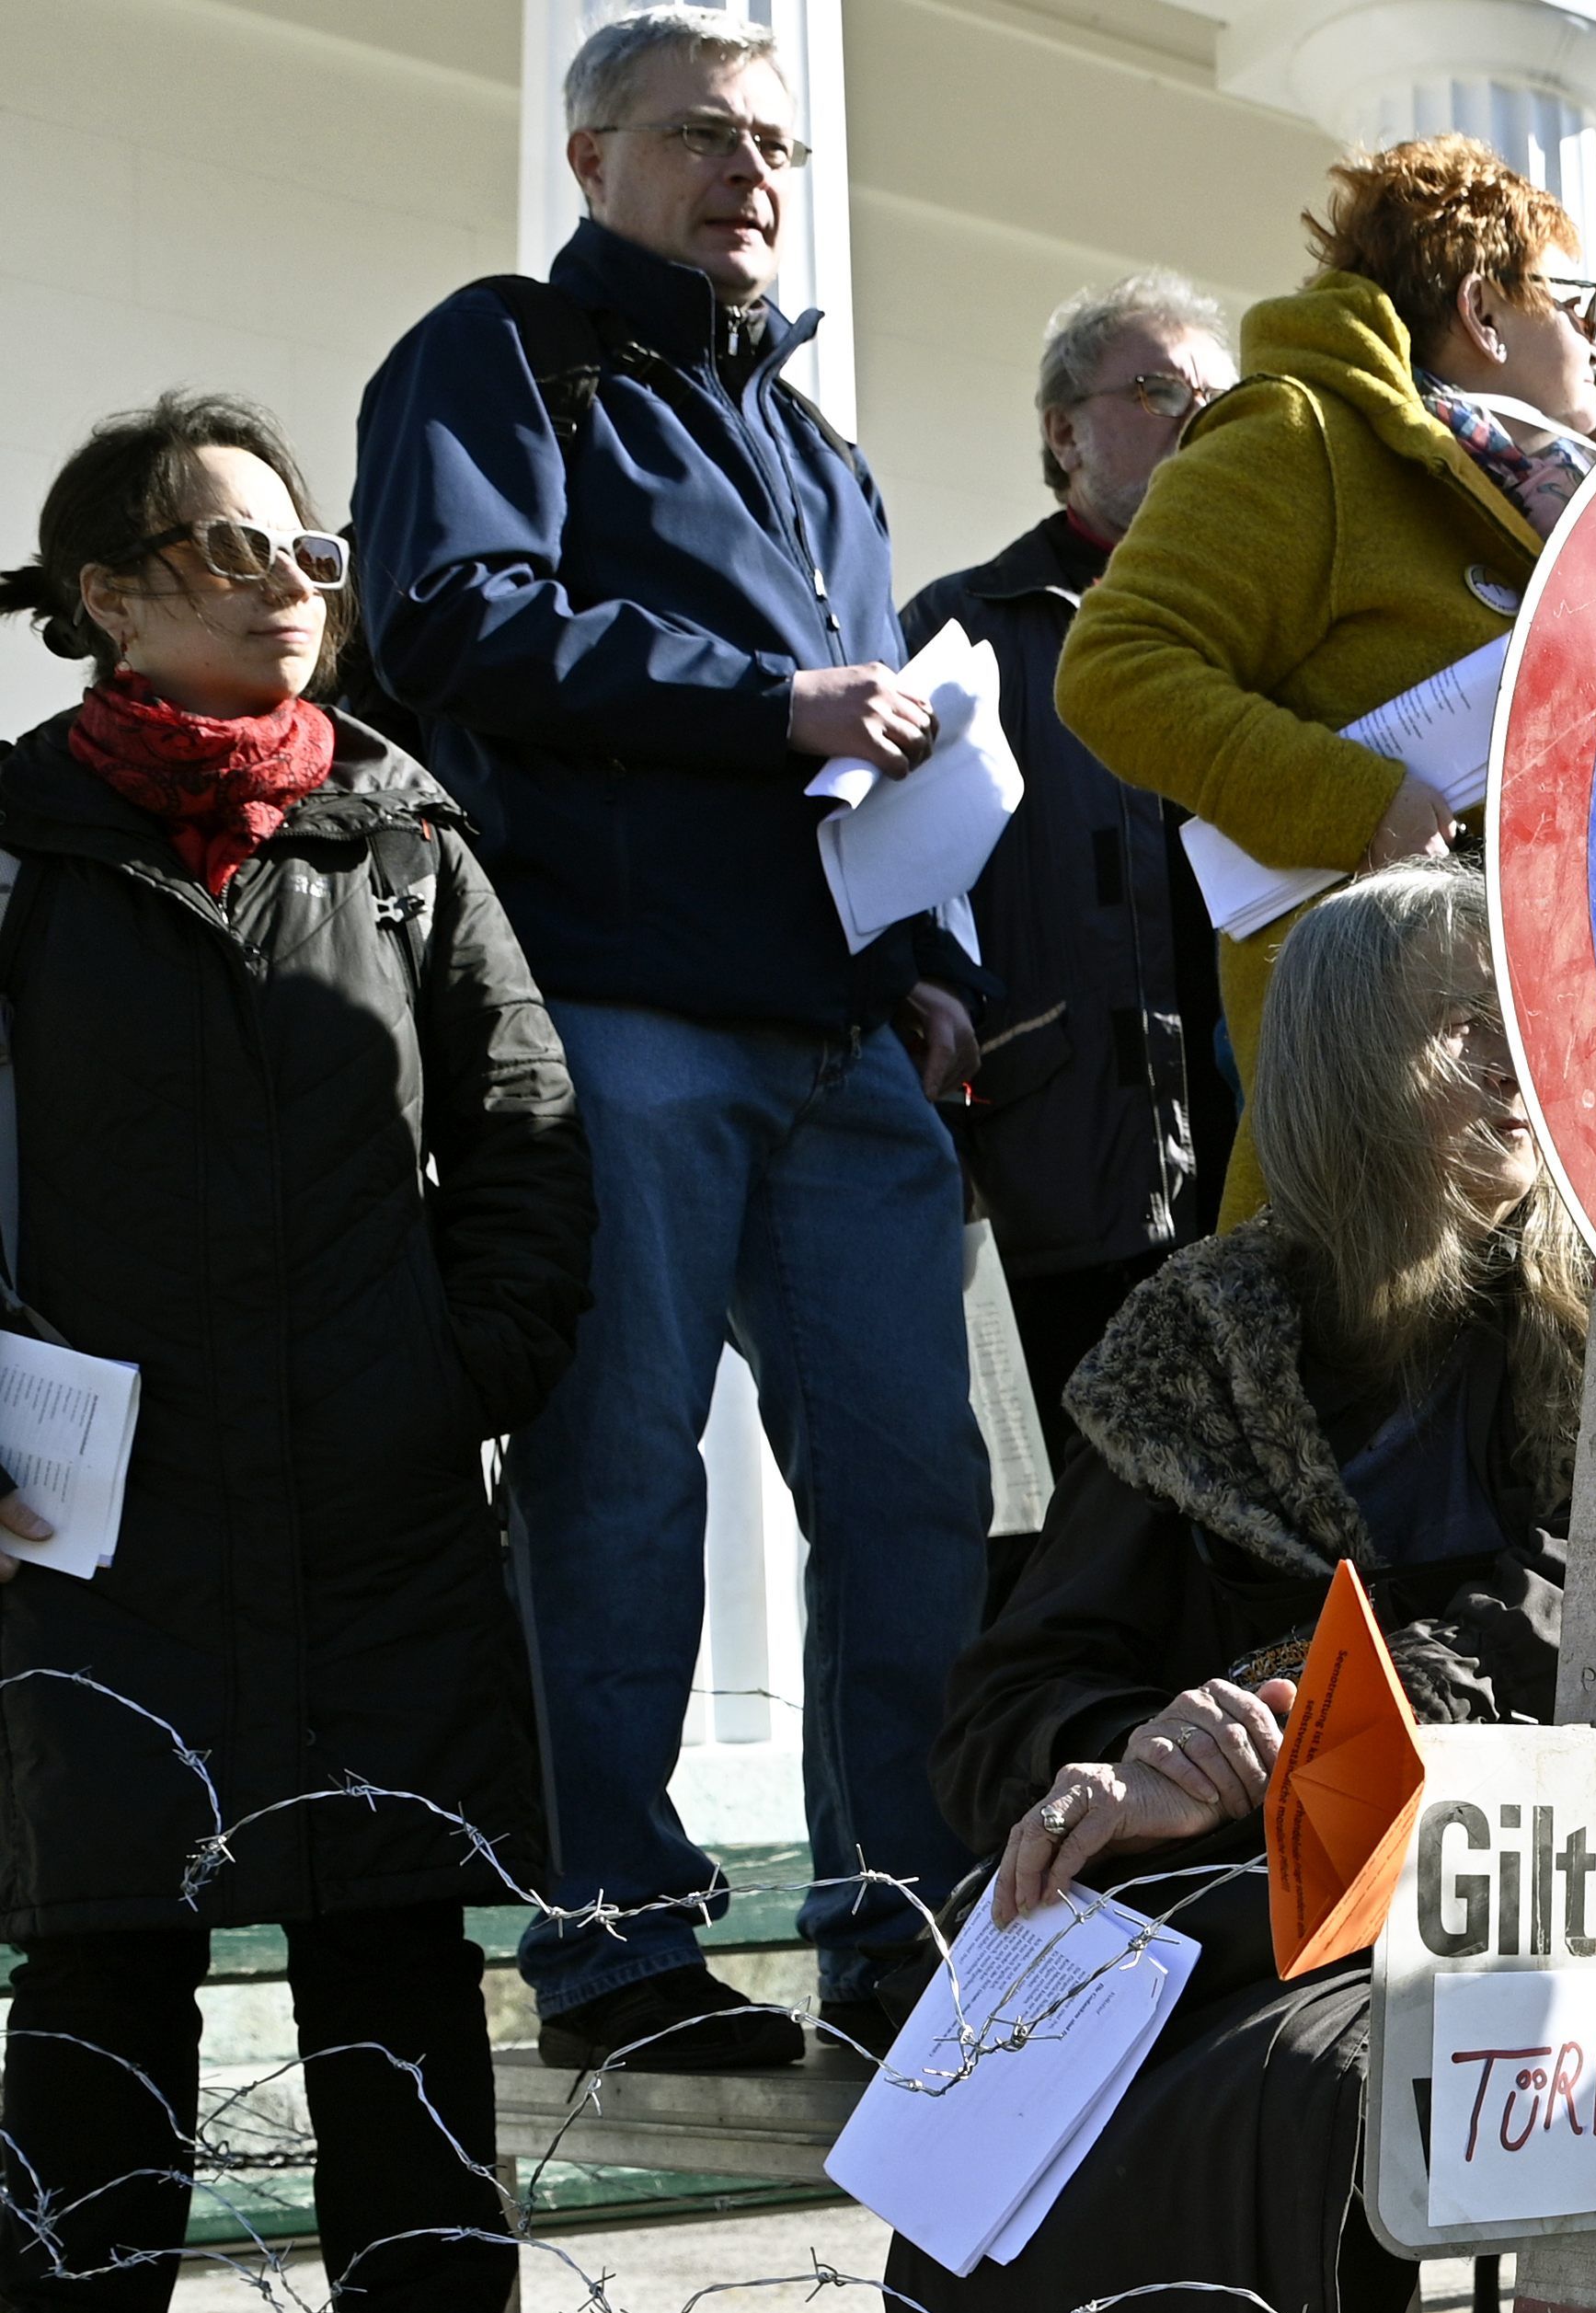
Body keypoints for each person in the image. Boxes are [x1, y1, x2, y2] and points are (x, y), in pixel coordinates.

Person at [353, 5, 993, 2067]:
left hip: (839, 1030)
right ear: (589, 162)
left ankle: (898, 1924)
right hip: (618, 1003)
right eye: (704, 137)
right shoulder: (499, 354)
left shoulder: (819, 447)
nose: (750, 176)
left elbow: (883, 725)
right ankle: (614, 1946)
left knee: (911, 1489)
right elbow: (454, 614)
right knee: (615, 1481)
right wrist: (764, 704)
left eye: (776, 147)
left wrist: (934, 949)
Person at [0, 397, 592, 2313]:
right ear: (105, 596)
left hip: (376, 1497)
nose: (294, 582)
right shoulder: (13, 848)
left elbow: (524, 1129)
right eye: (233, 547)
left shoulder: (402, 832)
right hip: (92, 1523)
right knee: (97, 1970)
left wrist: (461, 1372)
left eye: (305, 549)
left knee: (390, 1958)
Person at [883, 863, 1576, 2313]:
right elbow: (1008, 1697)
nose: (1519, 1072)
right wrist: (1133, 1749)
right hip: (1237, 1910)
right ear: (1343, 1066)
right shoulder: (1198, 1342)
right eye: (1466, 1032)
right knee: (992, 2192)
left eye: (1529, 1030)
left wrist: (1286, 1714)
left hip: (1525, 1891)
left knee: (1287, 2100)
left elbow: (1584, 1642)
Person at [1056, 134, 1596, 1228]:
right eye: (1576, 303)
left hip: (1565, 1088)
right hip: (1388, 1085)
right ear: (1483, 310)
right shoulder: (1300, 435)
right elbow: (1114, 668)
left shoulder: (1546, 495)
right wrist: (1355, 804)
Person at [900, 273, 1243, 1484]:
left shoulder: (1261, 628)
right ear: (1063, 428)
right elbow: (902, 907)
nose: (1194, 418)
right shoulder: (963, 630)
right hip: (1058, 1189)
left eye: (1215, 397)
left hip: (1256, 1182)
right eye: (1157, 390)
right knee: (1066, 1555)